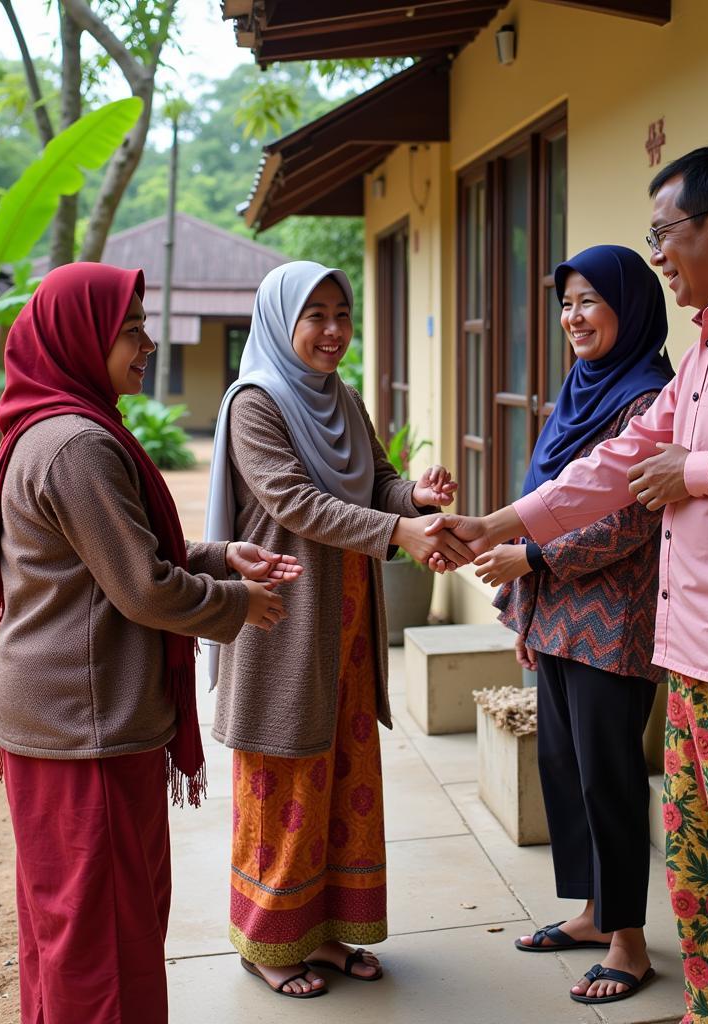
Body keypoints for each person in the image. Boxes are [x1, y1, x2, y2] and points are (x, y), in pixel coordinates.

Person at [428, 147, 708, 1024]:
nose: (659, 253)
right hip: (704, 649)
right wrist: (500, 524)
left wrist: (698, 471)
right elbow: (621, 462)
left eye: (664, 233)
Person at [0, 262, 299, 1024]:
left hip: (58, 720)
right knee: (106, 945)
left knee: (68, 935)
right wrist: (234, 603)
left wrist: (217, 556)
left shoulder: (50, 427)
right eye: (130, 328)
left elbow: (110, 558)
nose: (148, 342)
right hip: (84, 729)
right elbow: (143, 588)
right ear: (78, 337)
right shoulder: (76, 444)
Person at [205, 260, 469, 999]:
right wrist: (398, 530)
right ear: (280, 319)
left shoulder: (343, 398)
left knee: (345, 776)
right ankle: (267, 939)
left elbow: (376, 477)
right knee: (285, 778)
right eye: (314, 315)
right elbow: (295, 502)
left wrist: (410, 494)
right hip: (285, 619)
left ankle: (327, 934)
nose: (332, 331)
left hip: (348, 619)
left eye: (342, 314)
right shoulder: (254, 403)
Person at [473, 245, 671, 1005]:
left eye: (590, 300)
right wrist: (523, 600)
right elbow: (546, 487)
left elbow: (628, 519)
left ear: (630, 306)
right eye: (566, 303)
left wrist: (529, 558)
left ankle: (628, 941)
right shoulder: (580, 387)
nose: (573, 317)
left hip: (613, 618)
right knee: (563, 768)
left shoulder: (650, 396)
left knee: (609, 776)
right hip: (555, 609)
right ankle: (593, 913)